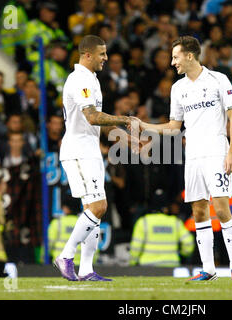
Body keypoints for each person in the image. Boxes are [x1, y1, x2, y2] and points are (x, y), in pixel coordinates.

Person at [138, 36, 232, 281]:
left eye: (175, 57)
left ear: (189, 55)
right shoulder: (178, 88)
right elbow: (175, 126)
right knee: (198, 210)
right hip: (193, 155)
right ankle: (208, 269)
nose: (172, 62)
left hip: (217, 151)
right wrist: (145, 125)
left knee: (220, 207)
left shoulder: (219, 79)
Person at [54, 35, 138, 281]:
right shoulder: (80, 79)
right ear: (87, 54)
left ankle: (86, 269)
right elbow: (92, 117)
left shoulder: (91, 79)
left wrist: (125, 137)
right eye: (102, 54)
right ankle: (66, 255)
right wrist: (124, 119)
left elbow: (95, 123)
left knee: (94, 210)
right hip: (78, 151)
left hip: (89, 150)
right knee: (98, 207)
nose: (106, 58)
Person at [129, 190, 195, 267]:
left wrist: (132, 263)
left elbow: (136, 247)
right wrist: (182, 254)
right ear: (167, 207)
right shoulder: (175, 222)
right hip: (171, 264)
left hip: (147, 265)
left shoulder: (143, 222)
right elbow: (188, 243)